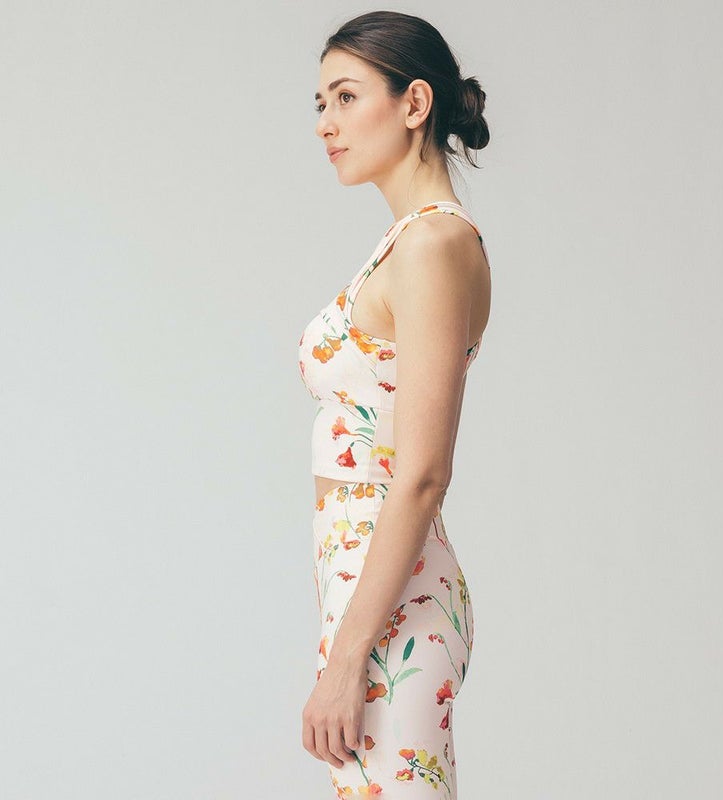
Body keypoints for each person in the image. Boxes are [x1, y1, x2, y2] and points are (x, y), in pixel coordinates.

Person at [297, 11, 491, 798]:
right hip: (369, 595)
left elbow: (423, 473)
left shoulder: (434, 245)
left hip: (394, 606)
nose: (326, 123)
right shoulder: (406, 243)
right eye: (321, 104)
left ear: (414, 103)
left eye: (346, 97)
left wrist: (348, 659)